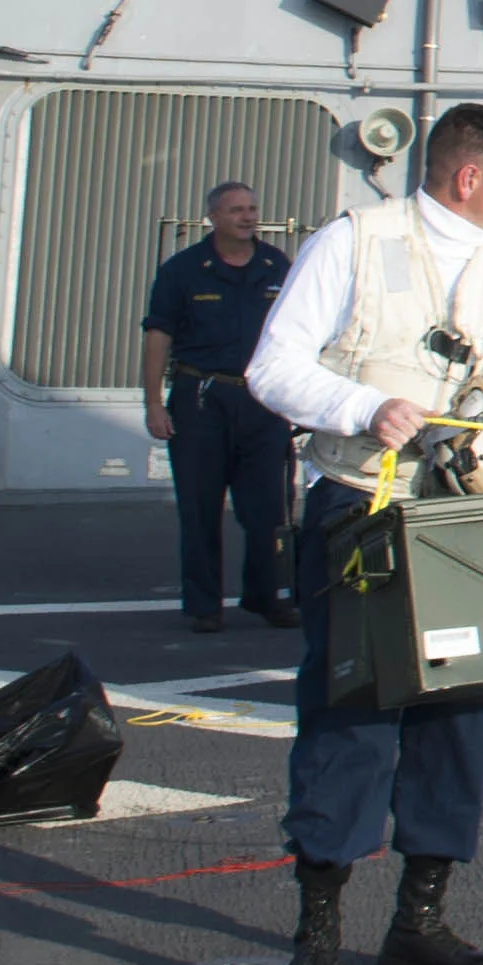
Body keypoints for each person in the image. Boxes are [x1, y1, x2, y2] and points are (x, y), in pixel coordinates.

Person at [241, 104, 483, 965]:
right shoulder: (352, 243)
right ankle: (315, 939)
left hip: (478, 517)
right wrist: (363, 407)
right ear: (468, 176)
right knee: (350, 709)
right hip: (368, 507)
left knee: (460, 718)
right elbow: (273, 368)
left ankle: (418, 924)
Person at [141, 181, 299, 633]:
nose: (248, 217)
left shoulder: (277, 265)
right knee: (200, 507)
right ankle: (204, 605)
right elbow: (158, 335)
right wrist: (154, 402)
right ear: (213, 217)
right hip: (202, 399)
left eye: (252, 208)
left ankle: (266, 596)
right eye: (236, 210)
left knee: (270, 509)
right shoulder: (183, 270)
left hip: (262, 401)